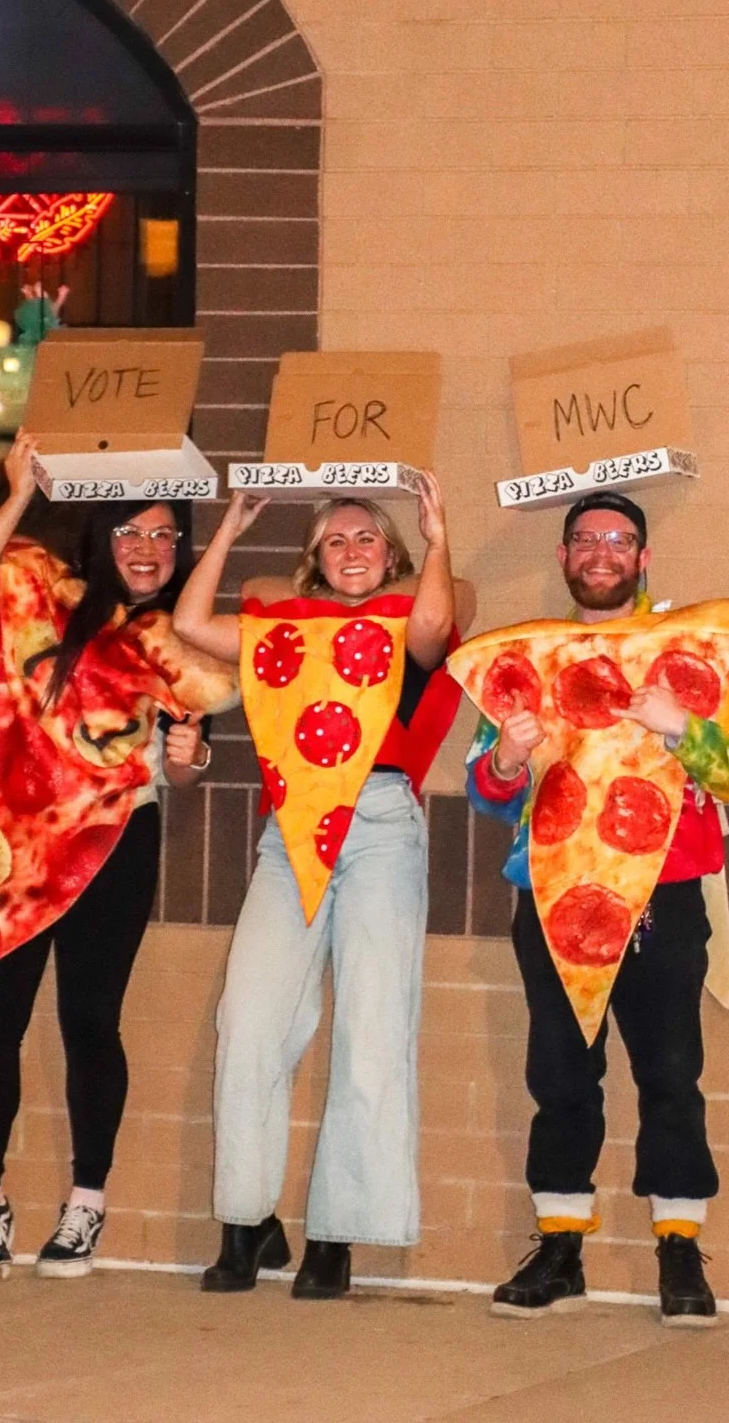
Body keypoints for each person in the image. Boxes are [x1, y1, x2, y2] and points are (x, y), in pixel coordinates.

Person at [0, 428, 237, 1283]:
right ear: (102, 537)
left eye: (164, 535)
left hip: (114, 842)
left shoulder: (178, 643)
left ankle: (85, 1203)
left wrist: (191, 760)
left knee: (90, 1023)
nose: (147, 549)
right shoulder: (41, 591)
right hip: (6, 841)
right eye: (131, 531)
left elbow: (188, 765)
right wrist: (19, 492)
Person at [465, 491, 729, 1325]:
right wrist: (506, 758)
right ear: (564, 557)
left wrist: (682, 729)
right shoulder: (529, 658)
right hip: (554, 894)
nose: (602, 552)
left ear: (643, 559)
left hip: (664, 895)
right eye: (587, 539)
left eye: (620, 540)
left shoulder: (695, 650)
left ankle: (679, 1246)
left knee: (671, 1073)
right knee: (560, 1074)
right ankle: (560, 1247)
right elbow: (487, 794)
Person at [173, 480, 473, 1299]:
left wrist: (437, 535)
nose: (351, 551)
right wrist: (230, 530)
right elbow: (191, 624)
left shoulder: (406, 618)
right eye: (334, 541)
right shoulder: (287, 626)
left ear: (392, 555)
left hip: (380, 824)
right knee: (249, 1017)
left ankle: (337, 1233)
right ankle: (246, 1222)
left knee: (371, 1025)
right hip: (292, 829)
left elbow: (436, 627)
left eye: (366, 538)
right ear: (314, 561)